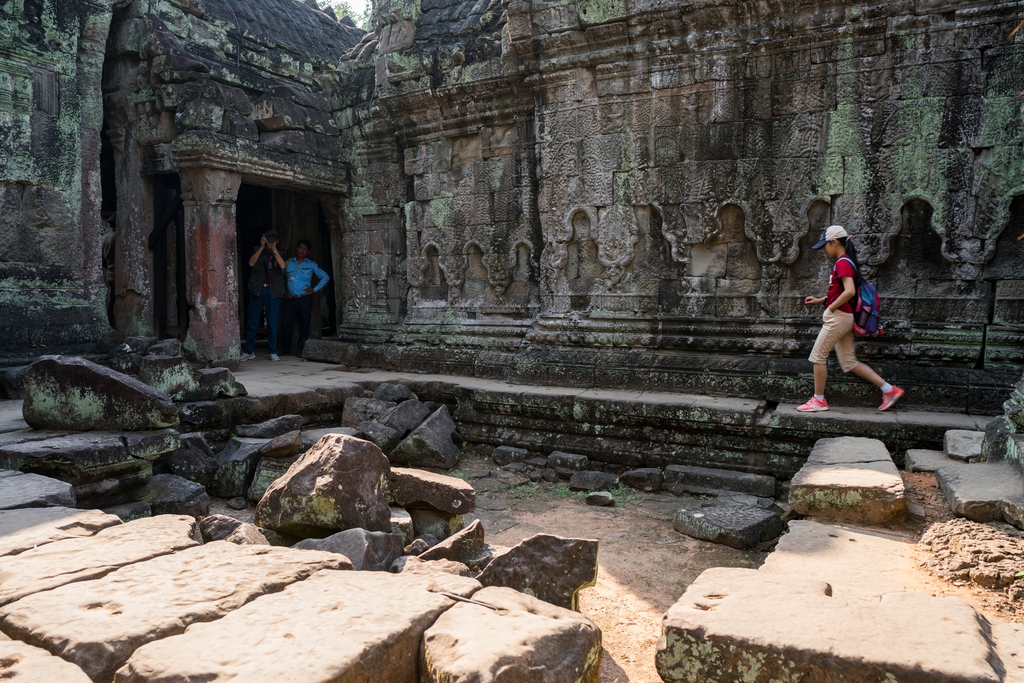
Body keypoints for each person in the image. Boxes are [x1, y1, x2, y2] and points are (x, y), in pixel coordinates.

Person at [798, 224, 904, 412]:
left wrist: (830, 307)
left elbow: (849, 292)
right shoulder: (845, 261)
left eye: (825, 245)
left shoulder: (843, 262)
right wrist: (821, 300)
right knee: (849, 363)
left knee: (817, 357)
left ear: (835, 242)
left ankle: (819, 400)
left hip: (839, 317)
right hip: (843, 317)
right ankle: (889, 390)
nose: (824, 249)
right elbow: (843, 292)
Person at [280, 239, 330, 358]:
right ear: (296, 249)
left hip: (304, 298)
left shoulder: (311, 264)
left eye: (305, 249)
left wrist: (315, 289)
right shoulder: (287, 263)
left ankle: (300, 349)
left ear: (308, 252)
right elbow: (277, 278)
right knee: (285, 323)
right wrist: (283, 291)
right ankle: (285, 349)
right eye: (300, 248)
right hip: (291, 298)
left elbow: (325, 277)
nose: (302, 251)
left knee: (305, 323)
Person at [240, 230, 286, 361]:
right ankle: (249, 350)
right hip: (257, 289)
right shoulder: (257, 250)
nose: (271, 241)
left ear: (277, 241)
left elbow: (282, 266)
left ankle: (273, 351)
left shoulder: (280, 254)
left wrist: (274, 250)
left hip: (273, 291)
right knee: (252, 322)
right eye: (268, 238)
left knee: (272, 323)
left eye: (273, 239)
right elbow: (251, 263)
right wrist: (261, 247)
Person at [101, 213, 117, 326]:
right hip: (116, 269)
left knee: (110, 300)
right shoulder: (116, 237)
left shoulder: (105, 237)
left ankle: (110, 323)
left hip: (109, 269)